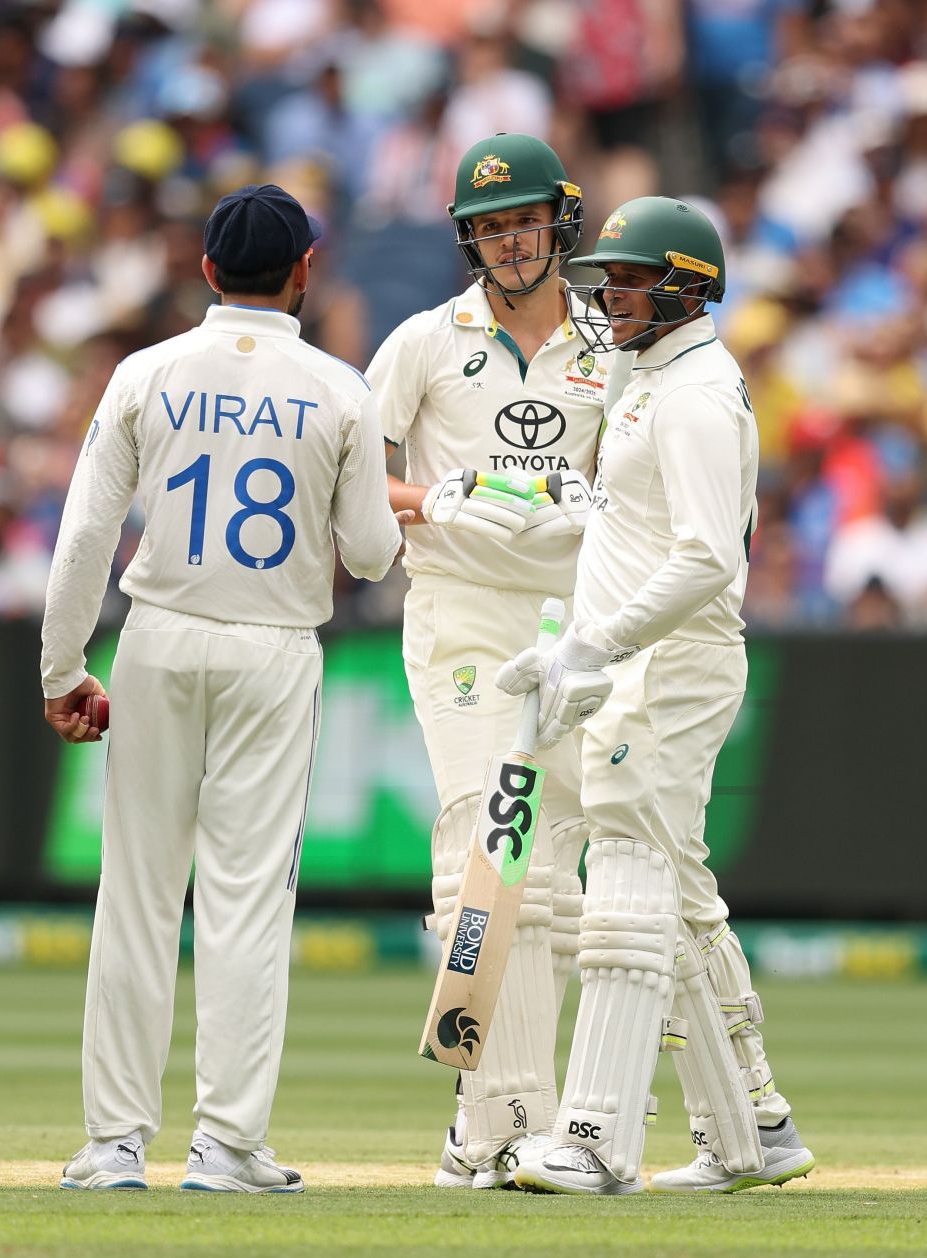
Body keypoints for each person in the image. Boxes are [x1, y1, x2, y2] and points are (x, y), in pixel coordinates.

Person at [39, 184, 400, 1195]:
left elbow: (84, 538)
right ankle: (228, 1144)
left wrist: (60, 669)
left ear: (205, 271)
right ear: (304, 274)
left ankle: (115, 1144)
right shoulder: (339, 387)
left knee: (139, 895)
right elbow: (371, 555)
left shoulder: (146, 372)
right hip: (275, 648)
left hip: (157, 638)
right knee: (246, 903)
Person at [499, 197, 816, 1194]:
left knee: (629, 877)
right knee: (675, 891)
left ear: (685, 284)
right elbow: (628, 527)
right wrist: (567, 637)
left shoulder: (695, 394)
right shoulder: (655, 377)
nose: (611, 297)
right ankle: (752, 1128)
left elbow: (708, 555)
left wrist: (599, 639)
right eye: (609, 280)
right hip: (635, 662)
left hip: (670, 664)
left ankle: (595, 1138)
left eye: (631, 281)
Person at [365, 133, 622, 1188]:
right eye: (489, 226)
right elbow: (346, 481)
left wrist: (598, 503)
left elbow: (654, 486)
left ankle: (492, 1127)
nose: (509, 241)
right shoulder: (424, 343)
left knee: (551, 878)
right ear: (468, 238)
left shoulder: (614, 348)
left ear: (557, 221)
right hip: (464, 616)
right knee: (483, 838)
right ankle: (508, 1118)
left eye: (523, 220)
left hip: (578, 624)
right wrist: (432, 497)